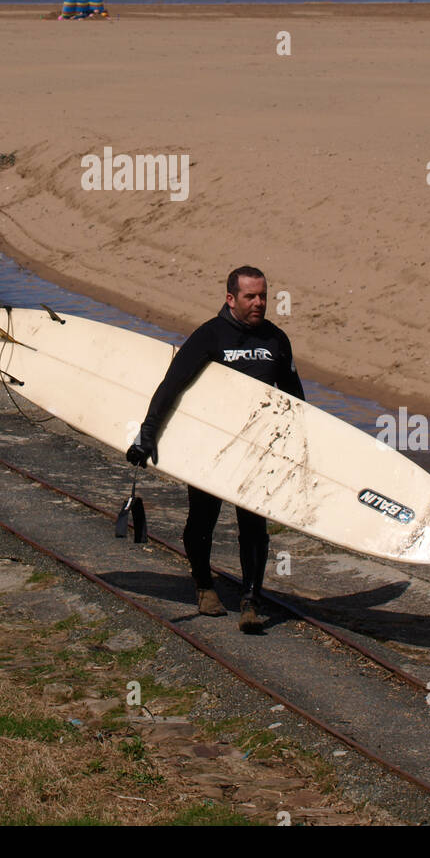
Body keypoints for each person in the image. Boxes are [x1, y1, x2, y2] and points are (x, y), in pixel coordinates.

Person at [126, 266, 303, 633]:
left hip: (257, 449)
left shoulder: (277, 341)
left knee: (254, 526)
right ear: (230, 298)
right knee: (202, 520)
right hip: (211, 447)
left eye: (263, 296)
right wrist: (147, 434)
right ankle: (204, 586)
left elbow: (296, 401)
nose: (258, 303)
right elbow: (171, 385)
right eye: (250, 297)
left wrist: (300, 450)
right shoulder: (210, 336)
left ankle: (251, 600)